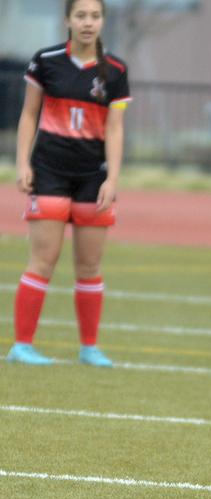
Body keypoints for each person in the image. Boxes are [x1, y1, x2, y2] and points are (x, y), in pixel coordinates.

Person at [7, 0, 130, 367]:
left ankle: (89, 348)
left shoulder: (116, 70)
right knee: (42, 260)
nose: (88, 23)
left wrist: (113, 178)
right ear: (67, 20)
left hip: (93, 176)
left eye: (95, 16)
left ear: (103, 21)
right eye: (81, 15)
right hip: (49, 172)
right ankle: (22, 345)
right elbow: (29, 115)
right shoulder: (45, 61)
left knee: (89, 266)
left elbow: (115, 127)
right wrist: (22, 163)